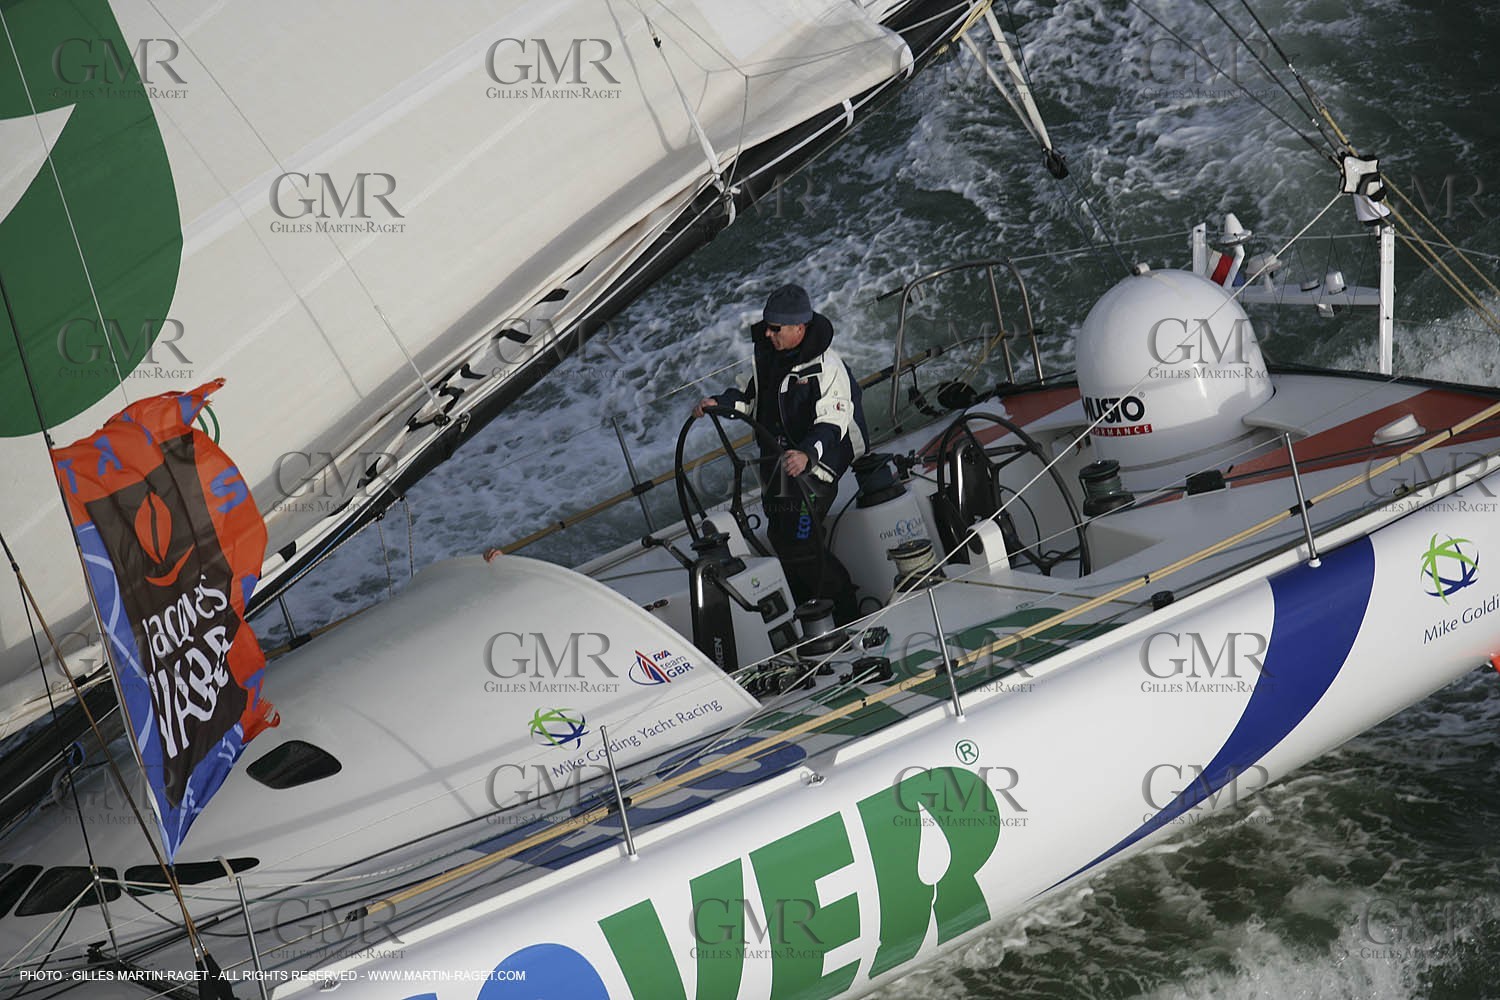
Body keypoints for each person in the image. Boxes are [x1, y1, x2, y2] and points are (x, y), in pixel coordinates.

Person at [694, 283, 867, 623]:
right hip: (780, 462)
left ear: (800, 328)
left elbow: (833, 425)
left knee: (800, 542)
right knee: (779, 535)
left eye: (776, 329)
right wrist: (720, 404)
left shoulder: (828, 366)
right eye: (768, 327)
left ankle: (847, 610)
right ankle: (809, 611)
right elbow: (749, 398)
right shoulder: (767, 358)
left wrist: (807, 455)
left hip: (819, 463)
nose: (769, 334)